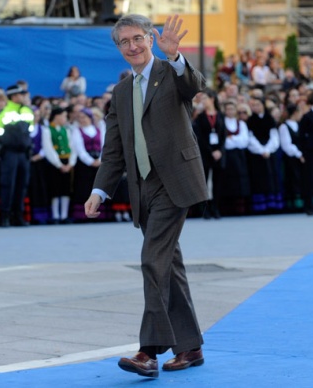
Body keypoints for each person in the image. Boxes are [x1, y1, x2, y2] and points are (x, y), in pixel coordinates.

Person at [84, 14, 207, 378]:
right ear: (118, 48)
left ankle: (148, 352)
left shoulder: (171, 72)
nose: (132, 46)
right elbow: (114, 151)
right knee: (169, 266)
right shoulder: (120, 93)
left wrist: (176, 57)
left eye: (138, 38)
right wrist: (99, 190)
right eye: (124, 42)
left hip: (176, 182)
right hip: (143, 187)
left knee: (152, 260)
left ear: (150, 40)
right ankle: (190, 346)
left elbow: (195, 85)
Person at [0, 85, 34, 227]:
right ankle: (5, 215)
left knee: (22, 185)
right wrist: (6, 141)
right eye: (21, 95)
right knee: (7, 184)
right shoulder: (3, 112)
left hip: (23, 153)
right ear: (13, 96)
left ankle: (18, 215)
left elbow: (30, 131)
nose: (23, 97)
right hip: (9, 153)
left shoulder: (27, 111)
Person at [192, 89, 226, 219]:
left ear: (212, 99)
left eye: (205, 98)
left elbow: (223, 135)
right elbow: (199, 137)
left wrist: (219, 151)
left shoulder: (220, 115)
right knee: (204, 181)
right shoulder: (200, 117)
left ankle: (216, 207)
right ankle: (205, 209)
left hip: (218, 153)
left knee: (217, 182)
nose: (203, 101)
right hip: (206, 153)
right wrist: (211, 151)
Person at [42, 107, 76, 223]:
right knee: (55, 188)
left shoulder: (66, 130)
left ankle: (64, 215)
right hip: (55, 163)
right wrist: (58, 164)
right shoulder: (47, 130)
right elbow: (49, 149)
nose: (65, 119)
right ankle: (56, 215)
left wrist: (71, 163)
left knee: (66, 188)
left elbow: (72, 146)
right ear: (56, 116)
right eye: (63, 116)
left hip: (67, 161)